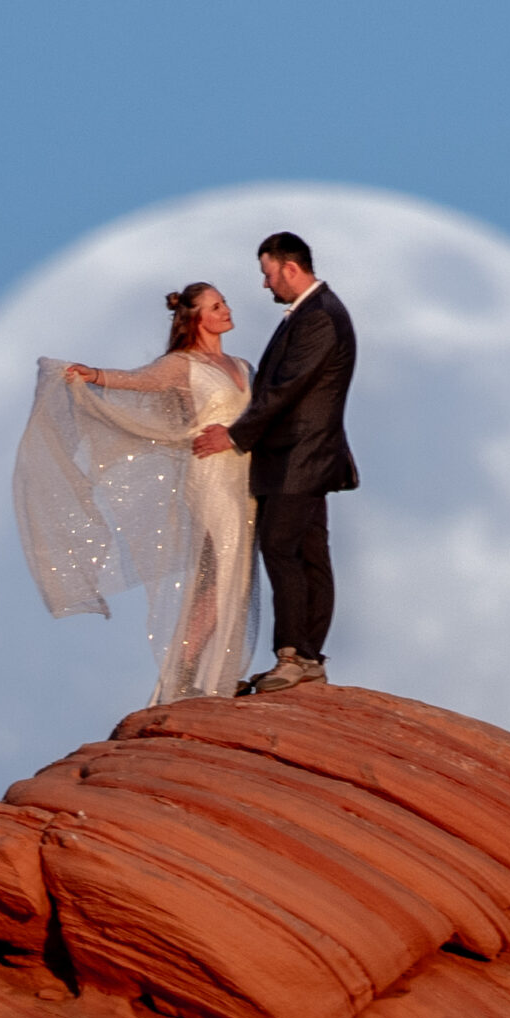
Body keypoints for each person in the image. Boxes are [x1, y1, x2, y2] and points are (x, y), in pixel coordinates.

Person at [11, 284, 258, 704]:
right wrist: (95, 376)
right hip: (211, 477)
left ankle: (212, 671)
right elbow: (139, 382)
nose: (226, 310)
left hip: (246, 479)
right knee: (223, 574)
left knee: (226, 579)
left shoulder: (243, 365)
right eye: (216, 306)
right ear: (195, 318)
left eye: (225, 303)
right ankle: (193, 674)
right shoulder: (183, 365)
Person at [193, 231, 357, 695]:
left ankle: (294, 656)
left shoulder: (319, 317)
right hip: (302, 457)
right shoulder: (312, 314)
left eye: (268, 274)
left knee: (285, 550)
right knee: (307, 554)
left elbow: (285, 389)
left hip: (299, 458)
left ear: (289, 268)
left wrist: (234, 434)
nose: (265, 285)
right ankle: (306, 658)